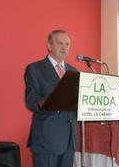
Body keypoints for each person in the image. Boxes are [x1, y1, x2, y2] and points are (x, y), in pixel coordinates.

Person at [24, 30, 77, 167]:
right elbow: (31, 101)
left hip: (69, 138)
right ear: (49, 45)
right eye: (60, 43)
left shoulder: (73, 71)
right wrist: (55, 98)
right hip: (47, 137)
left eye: (67, 44)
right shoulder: (35, 69)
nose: (64, 47)